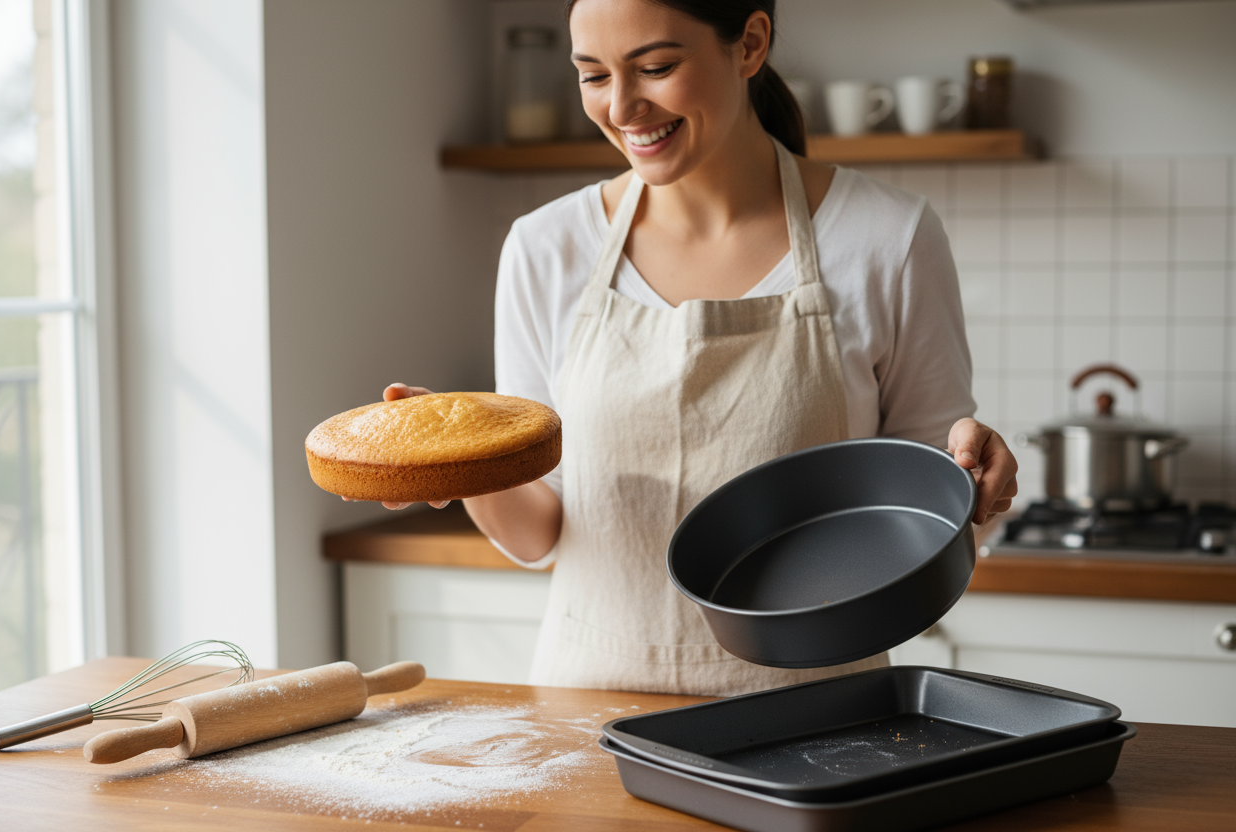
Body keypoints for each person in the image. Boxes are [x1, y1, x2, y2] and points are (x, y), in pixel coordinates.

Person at [362, 0, 1018, 696]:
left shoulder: (890, 238)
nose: (621, 107)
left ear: (750, 44)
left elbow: (927, 517)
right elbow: (539, 533)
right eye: (592, 76)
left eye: (655, 67)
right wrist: (464, 467)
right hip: (591, 716)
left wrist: (973, 487)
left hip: (816, 715)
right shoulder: (545, 248)